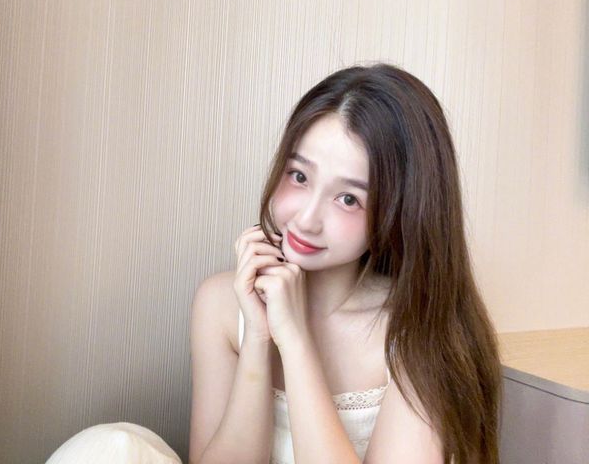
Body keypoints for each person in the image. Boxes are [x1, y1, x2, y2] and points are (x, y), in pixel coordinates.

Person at [189, 62, 502, 464]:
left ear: (400, 213)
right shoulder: (221, 303)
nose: (306, 219)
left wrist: (295, 339)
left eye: (349, 199)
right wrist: (258, 338)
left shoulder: (418, 333)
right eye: (299, 176)